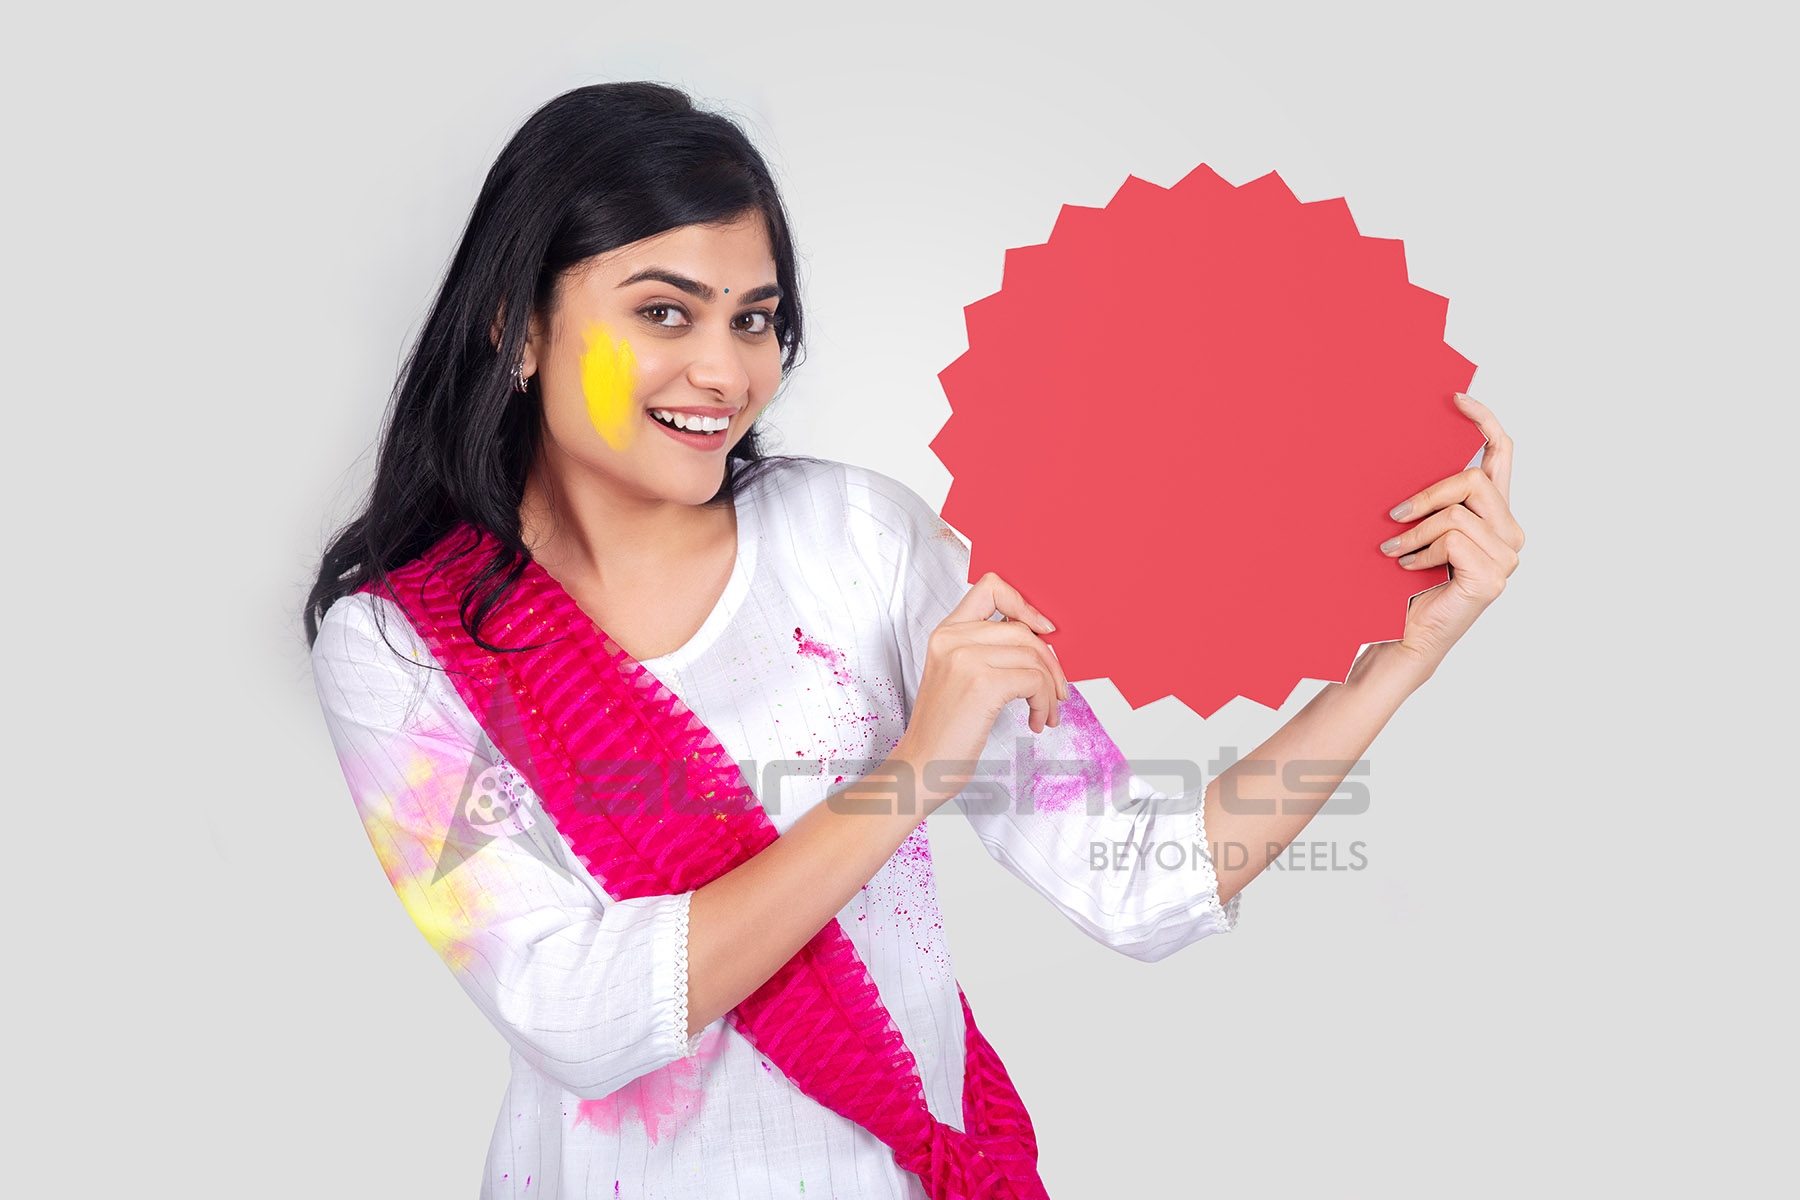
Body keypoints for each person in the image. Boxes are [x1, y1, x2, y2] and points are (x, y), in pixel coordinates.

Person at [303, 82, 1523, 1200]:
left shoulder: (860, 544)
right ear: (519, 326)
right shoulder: (401, 651)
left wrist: (1398, 659)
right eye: (663, 311)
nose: (723, 371)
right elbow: (576, 1013)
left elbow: (1142, 881)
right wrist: (913, 775)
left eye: (756, 319)